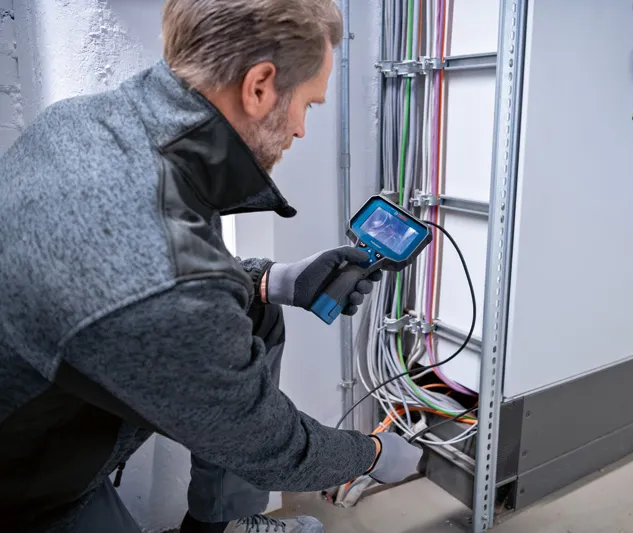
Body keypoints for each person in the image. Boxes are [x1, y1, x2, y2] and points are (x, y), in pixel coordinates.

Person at [0, 1, 423, 532]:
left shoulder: (83, 122)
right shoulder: (161, 271)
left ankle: (218, 527)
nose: (300, 130)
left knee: (258, 312)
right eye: (308, 106)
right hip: (25, 492)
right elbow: (268, 442)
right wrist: (373, 454)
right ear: (260, 86)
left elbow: (151, 279)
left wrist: (270, 280)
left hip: (45, 415)